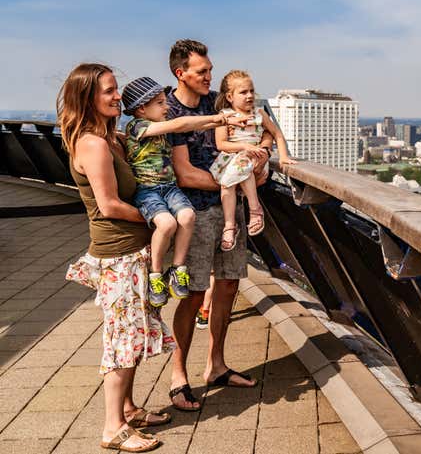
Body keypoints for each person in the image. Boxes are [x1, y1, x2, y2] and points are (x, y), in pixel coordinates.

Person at [59, 63, 174, 452]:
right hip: (119, 254)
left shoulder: (111, 137)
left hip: (130, 251)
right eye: (107, 91)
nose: (117, 96)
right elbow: (108, 205)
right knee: (123, 340)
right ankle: (113, 428)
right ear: (88, 97)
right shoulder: (92, 144)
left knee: (134, 333)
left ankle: (128, 408)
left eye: (116, 89)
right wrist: (158, 218)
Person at [165, 39, 277, 411]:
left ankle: (216, 365)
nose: (209, 76)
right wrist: (238, 178)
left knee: (227, 286)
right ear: (181, 73)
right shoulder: (170, 110)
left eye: (210, 70)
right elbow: (185, 174)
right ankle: (178, 375)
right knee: (196, 294)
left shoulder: (217, 101)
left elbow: (263, 123)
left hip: (229, 209)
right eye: (202, 71)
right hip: (195, 212)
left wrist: (261, 155)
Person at [121, 77, 247, 306]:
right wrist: (216, 118)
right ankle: (156, 274)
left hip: (169, 188)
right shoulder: (137, 127)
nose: (166, 106)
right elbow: (180, 125)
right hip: (149, 191)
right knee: (167, 224)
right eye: (160, 103)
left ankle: (177, 269)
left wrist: (220, 122)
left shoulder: (158, 123)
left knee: (187, 216)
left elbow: (191, 125)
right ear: (141, 108)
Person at [211, 69, 296, 251]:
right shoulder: (225, 116)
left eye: (251, 91)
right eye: (243, 92)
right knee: (231, 180)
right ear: (230, 96)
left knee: (239, 172)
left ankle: (234, 224)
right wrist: (244, 146)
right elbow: (221, 144)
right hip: (231, 159)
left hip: (255, 161)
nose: (249, 96)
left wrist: (283, 156)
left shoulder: (259, 114)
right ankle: (242, 217)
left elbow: (276, 134)